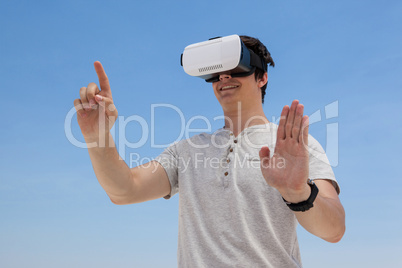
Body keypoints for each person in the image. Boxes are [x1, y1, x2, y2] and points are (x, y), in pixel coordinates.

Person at [74, 35, 345, 267]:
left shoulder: (294, 145)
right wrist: (97, 136)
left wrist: (298, 192)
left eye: (237, 67)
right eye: (216, 71)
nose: (224, 76)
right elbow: (124, 190)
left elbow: (334, 229)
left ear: (261, 77)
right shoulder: (187, 150)